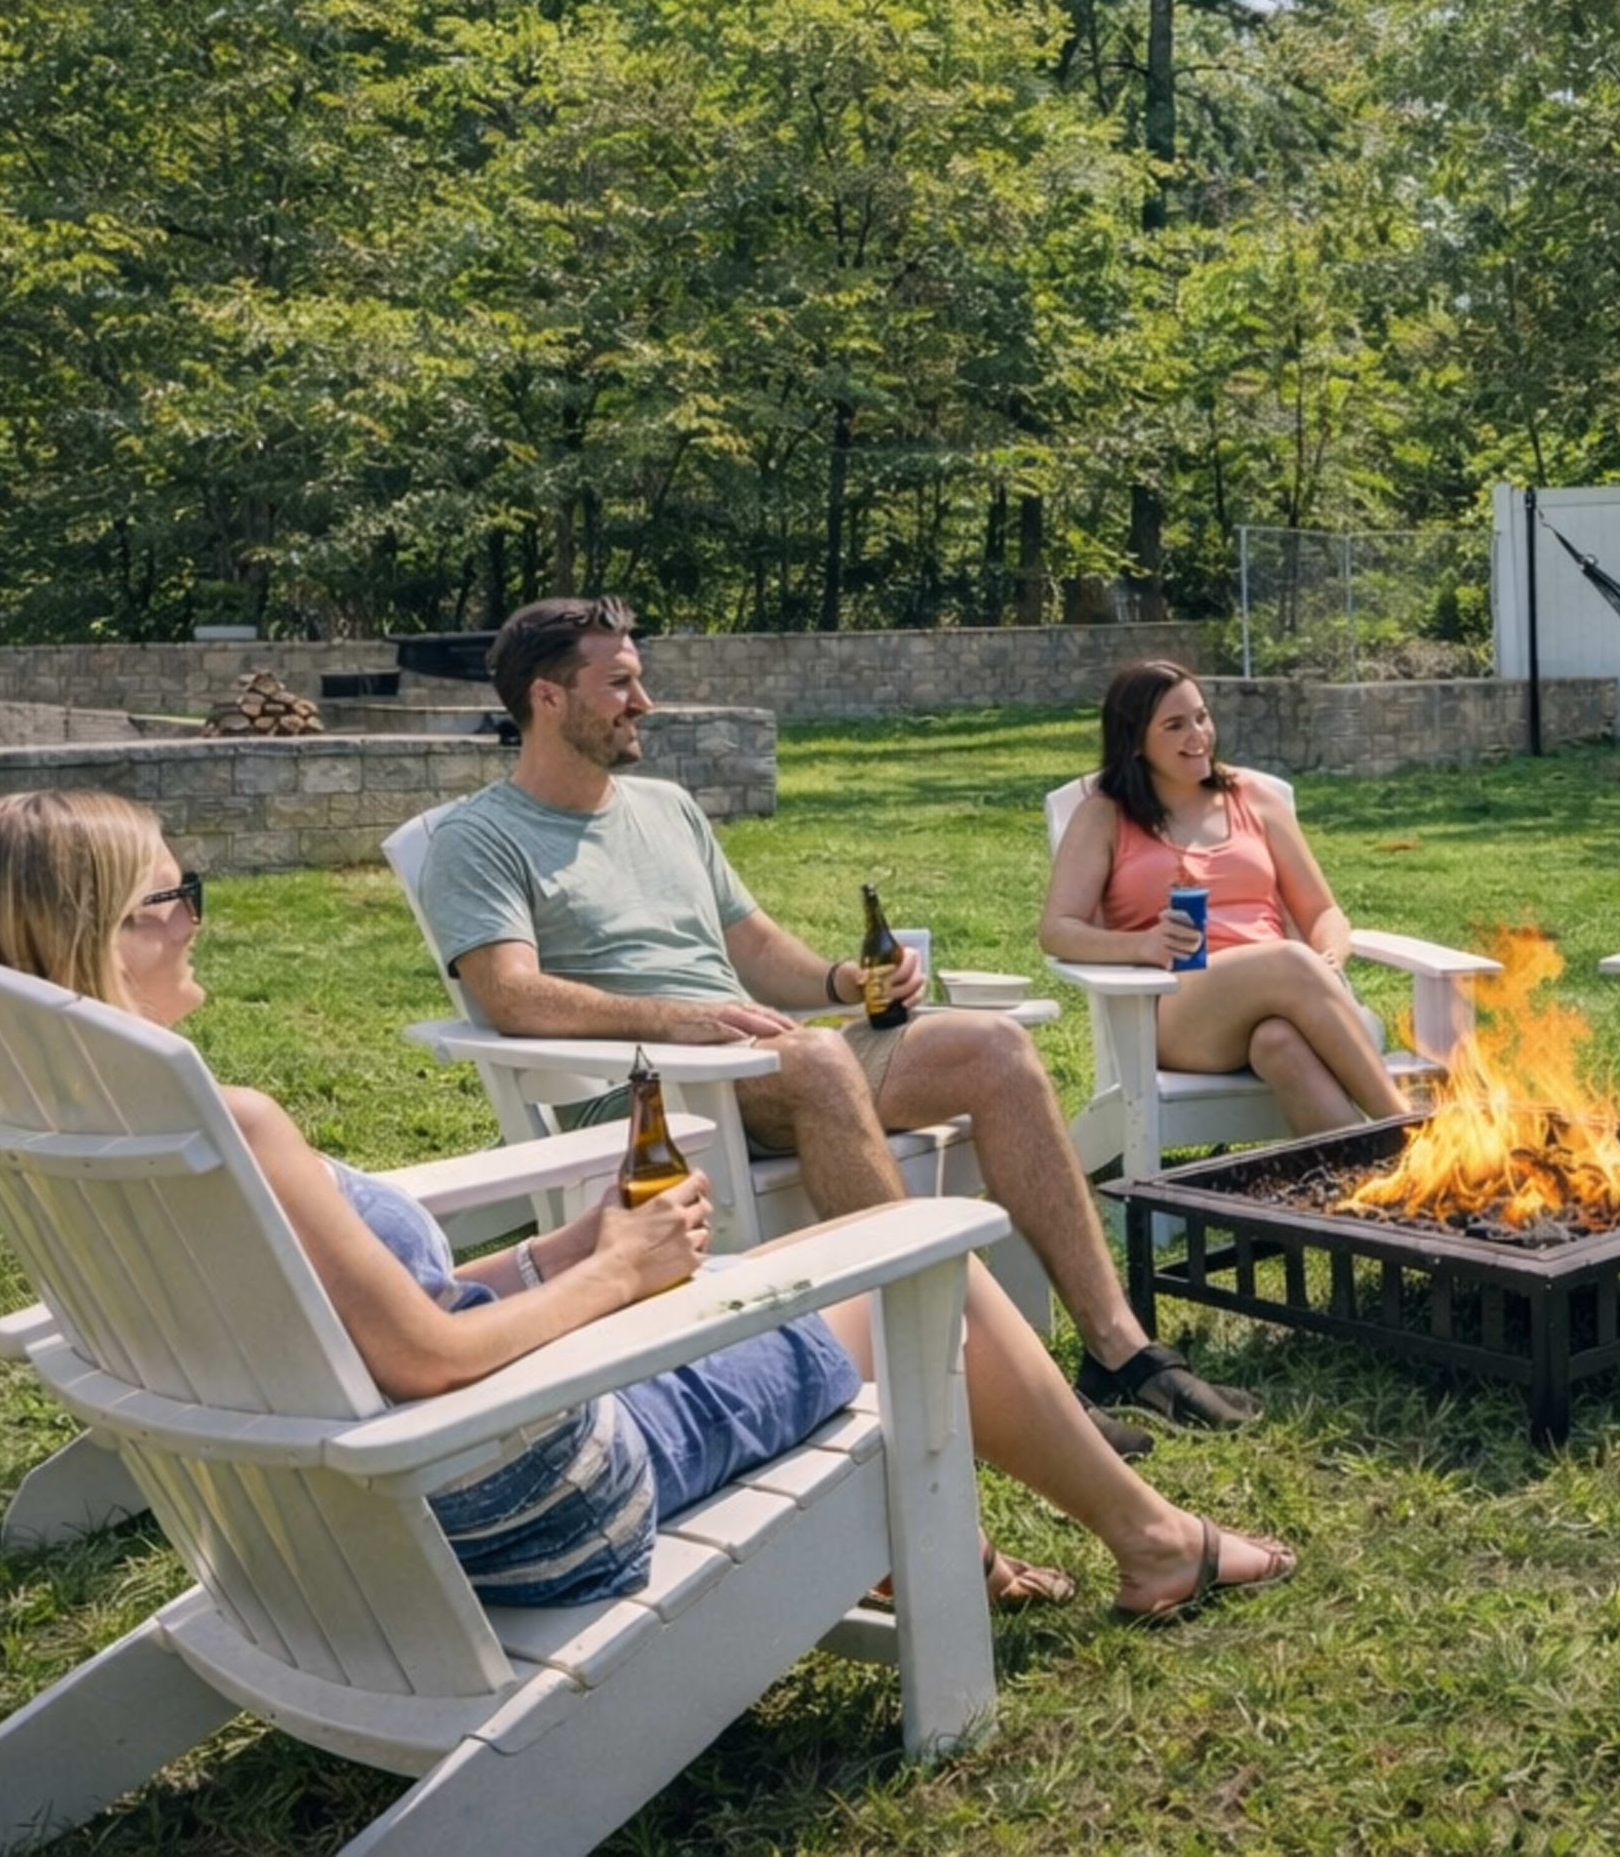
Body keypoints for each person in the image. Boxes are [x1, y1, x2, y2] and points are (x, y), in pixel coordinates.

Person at [0, 790, 1294, 1617]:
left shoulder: (75, 1127)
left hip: (353, 1529)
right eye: (179, 896)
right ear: (108, 935)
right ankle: (1157, 1542)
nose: (200, 918)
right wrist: (616, 1274)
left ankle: (981, 1522)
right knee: (913, 1270)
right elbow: (422, 1358)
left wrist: (558, 1251)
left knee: (878, 1239)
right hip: (532, 1501)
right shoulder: (238, 1129)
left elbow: (386, 1325)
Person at [420, 598, 1263, 1442]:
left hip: (758, 1061)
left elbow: (753, 948)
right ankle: (962, 1370)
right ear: (548, 698)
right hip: (641, 1100)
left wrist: (846, 978)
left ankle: (1118, 1351)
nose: (645, 701)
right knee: (819, 1062)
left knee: (994, 1048)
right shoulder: (481, 837)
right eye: (620, 684)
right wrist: (671, 1021)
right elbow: (510, 993)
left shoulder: (665, 809)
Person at [1038, 661, 1408, 1135]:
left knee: (1279, 1043)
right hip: (1177, 1009)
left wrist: (1328, 961)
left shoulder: (1252, 797)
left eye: (1201, 717)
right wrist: (1142, 945)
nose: (1198, 735)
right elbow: (1057, 929)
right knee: (1291, 963)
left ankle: (1374, 1182)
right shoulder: (1105, 815)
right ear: (1134, 741)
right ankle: (1406, 1127)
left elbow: (1323, 911)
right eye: (1174, 725)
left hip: (1292, 994)